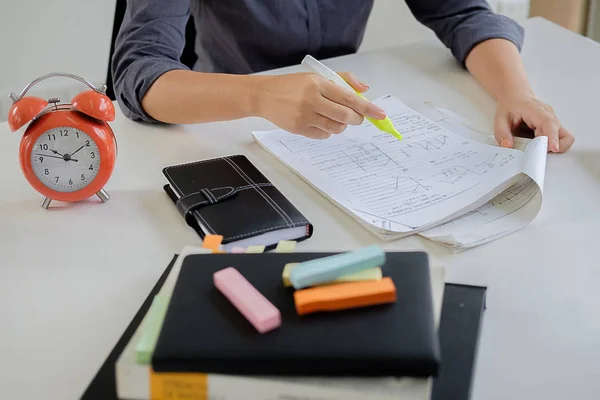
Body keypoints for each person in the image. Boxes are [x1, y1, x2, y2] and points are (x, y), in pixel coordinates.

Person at [112, 0, 574, 153]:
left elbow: (463, 12)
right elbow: (139, 71)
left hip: (341, 127)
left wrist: (516, 95)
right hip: (227, 125)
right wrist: (258, 93)